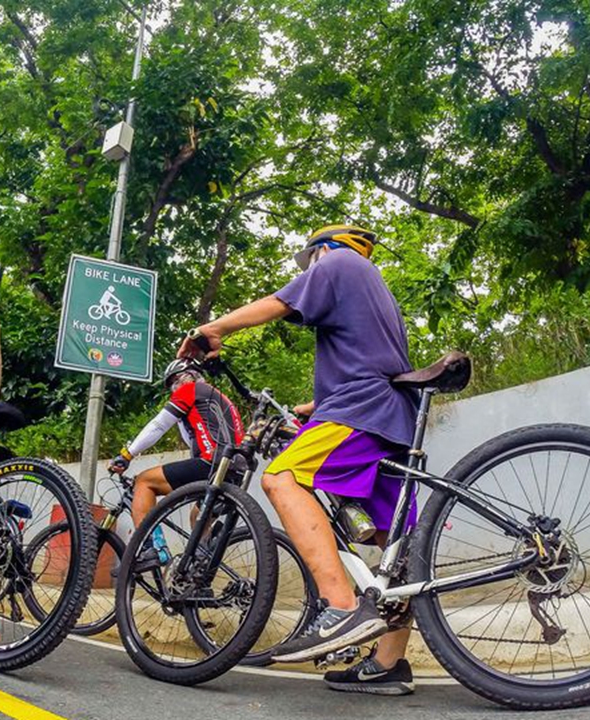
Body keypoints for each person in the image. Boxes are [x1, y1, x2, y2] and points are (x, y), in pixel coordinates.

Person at [178, 224, 419, 695]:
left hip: (362, 409)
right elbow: (368, 357)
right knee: (396, 548)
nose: (307, 272)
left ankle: (341, 608)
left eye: (307, 262)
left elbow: (278, 303)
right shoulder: (374, 287)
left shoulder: (337, 262)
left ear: (320, 250)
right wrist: (317, 406)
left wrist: (213, 329)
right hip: (389, 412)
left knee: (283, 478)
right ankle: (389, 663)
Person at [107, 358, 244, 567]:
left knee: (144, 482)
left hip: (211, 463)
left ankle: (150, 548)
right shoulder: (221, 398)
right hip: (235, 472)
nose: (174, 388)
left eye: (175, 381)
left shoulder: (190, 390)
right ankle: (200, 573)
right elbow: (196, 438)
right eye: (172, 384)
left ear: (189, 375)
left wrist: (127, 455)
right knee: (198, 518)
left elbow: (158, 426)